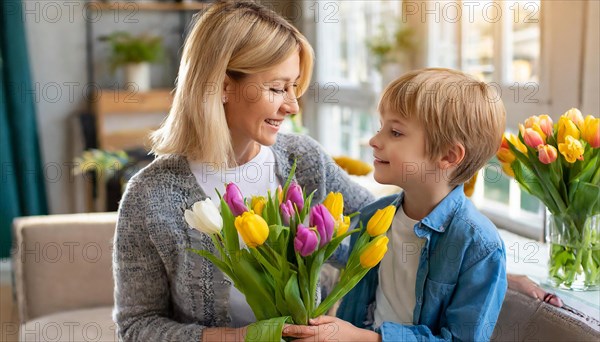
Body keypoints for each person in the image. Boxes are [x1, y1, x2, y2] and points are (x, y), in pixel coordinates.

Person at [111, 1, 374, 341]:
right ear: (222, 86)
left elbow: (378, 229)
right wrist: (236, 338)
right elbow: (136, 326)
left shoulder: (303, 158)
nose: (292, 105)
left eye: (294, 86)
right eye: (278, 88)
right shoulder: (150, 195)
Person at [284, 68, 510, 341]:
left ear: (449, 155)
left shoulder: (479, 246)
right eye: (381, 128)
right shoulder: (374, 216)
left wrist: (363, 338)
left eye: (395, 132)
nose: (375, 141)